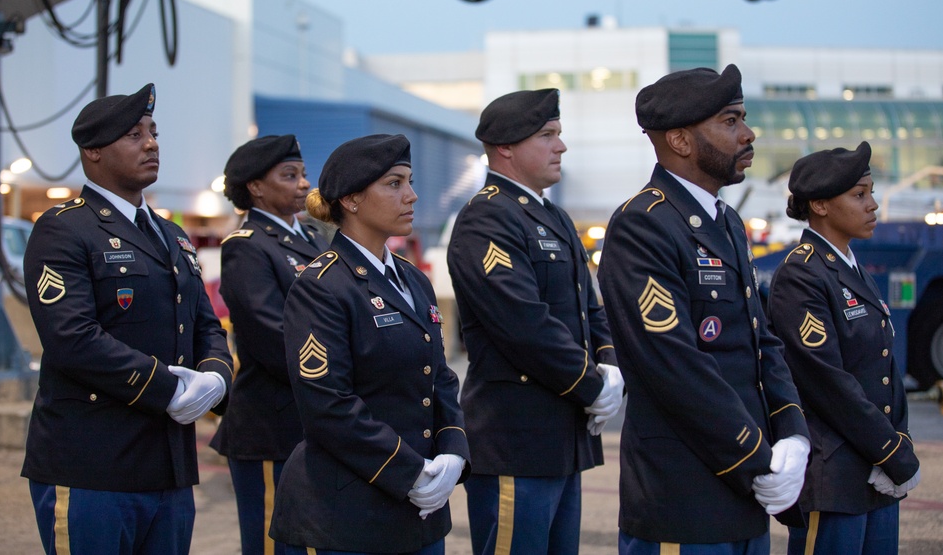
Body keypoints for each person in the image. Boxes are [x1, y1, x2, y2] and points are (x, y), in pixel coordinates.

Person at [597, 65, 811, 554]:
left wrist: (794, 434)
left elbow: (762, 341)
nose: (747, 133)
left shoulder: (727, 221)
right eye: (730, 121)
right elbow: (674, 364)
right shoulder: (643, 226)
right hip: (684, 501)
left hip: (747, 494)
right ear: (681, 141)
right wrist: (756, 457)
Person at [22, 83, 234, 555]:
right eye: (134, 134)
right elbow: (72, 338)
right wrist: (169, 389)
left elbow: (204, 325)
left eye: (154, 132)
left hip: (168, 467)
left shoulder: (173, 236)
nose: (152, 143)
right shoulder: (64, 229)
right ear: (93, 151)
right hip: (93, 465)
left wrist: (216, 378)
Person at [269, 134, 470, 555]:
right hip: (347, 515)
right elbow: (328, 403)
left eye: (410, 181)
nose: (412, 195)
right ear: (352, 200)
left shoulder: (412, 279)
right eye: (394, 183)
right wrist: (410, 471)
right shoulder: (323, 286)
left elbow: (440, 376)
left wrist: (453, 450)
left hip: (420, 514)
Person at [446, 89, 623, 555]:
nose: (560, 146)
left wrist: (610, 365)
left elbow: (591, 307)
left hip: (559, 437)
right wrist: (592, 385)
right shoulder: (486, 218)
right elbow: (524, 324)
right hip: (515, 439)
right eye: (547, 135)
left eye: (559, 134)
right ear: (505, 146)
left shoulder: (553, 217)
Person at [766, 142, 921, 555]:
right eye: (859, 194)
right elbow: (827, 382)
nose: (872, 205)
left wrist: (896, 445)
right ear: (819, 205)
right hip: (834, 478)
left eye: (871, 192)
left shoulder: (851, 268)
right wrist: (892, 452)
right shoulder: (802, 274)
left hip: (874, 474)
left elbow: (885, 369)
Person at [211, 134, 329, 555]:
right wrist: (339, 374)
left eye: (303, 174)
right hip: (270, 425)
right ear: (256, 187)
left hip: (310, 417)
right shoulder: (248, 247)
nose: (303, 184)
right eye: (289, 175)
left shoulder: (312, 240)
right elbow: (270, 334)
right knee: (272, 543)